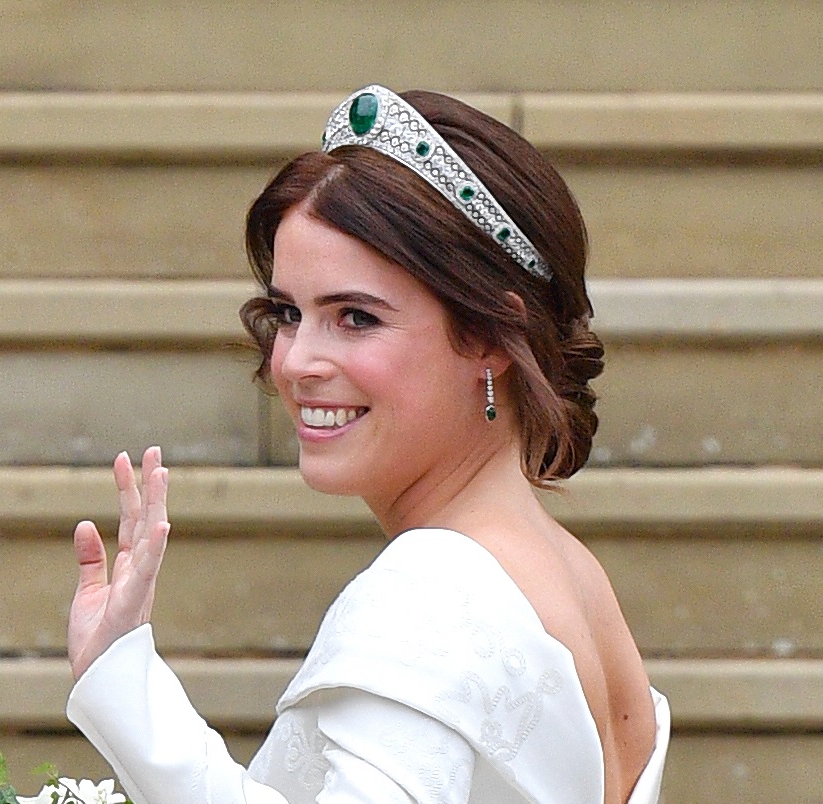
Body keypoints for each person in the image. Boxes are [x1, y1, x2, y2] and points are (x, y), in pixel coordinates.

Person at [65, 84, 670, 803]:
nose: (294, 362)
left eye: (355, 317)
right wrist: (120, 681)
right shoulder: (568, 573)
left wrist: (128, 700)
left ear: (487, 334)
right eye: (288, 312)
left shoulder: (430, 590)